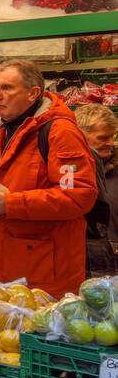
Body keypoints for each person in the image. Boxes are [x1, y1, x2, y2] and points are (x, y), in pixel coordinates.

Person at [0, 60, 97, 299]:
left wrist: (9, 204)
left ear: (33, 93)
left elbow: (78, 197)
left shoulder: (60, 133)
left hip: (42, 277)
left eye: (6, 88)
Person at [73, 103, 118, 275]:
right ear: (80, 136)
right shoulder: (69, 171)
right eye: (103, 138)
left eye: (112, 137)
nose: (111, 143)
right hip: (82, 258)